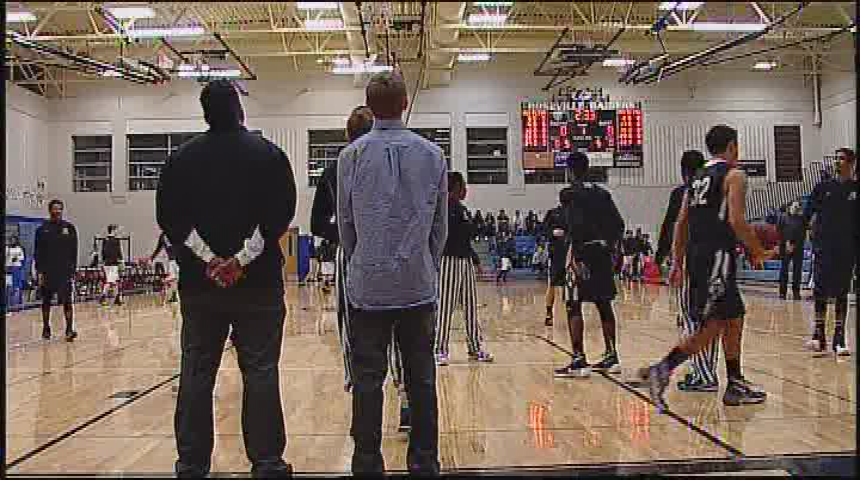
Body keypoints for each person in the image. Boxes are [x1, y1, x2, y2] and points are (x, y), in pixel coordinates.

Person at [156, 79, 296, 478]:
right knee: (261, 371)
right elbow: (279, 215)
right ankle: (267, 463)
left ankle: (191, 464)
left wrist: (210, 259)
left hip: (201, 287)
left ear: (205, 114)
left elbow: (170, 219)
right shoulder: (269, 155)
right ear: (239, 109)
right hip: (259, 286)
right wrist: (240, 259)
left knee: (197, 373)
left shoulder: (180, 160)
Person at [337, 71, 445, 475]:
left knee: (367, 381)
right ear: (404, 104)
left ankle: (366, 463)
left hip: (368, 286)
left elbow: (346, 224)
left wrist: (363, 260)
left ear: (370, 106)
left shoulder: (350, 157)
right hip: (417, 284)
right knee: (421, 379)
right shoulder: (432, 155)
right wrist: (425, 263)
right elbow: (439, 226)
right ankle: (424, 462)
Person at [639, 125, 774, 412]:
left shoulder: (697, 177)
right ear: (732, 146)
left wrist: (677, 262)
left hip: (698, 257)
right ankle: (663, 369)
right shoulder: (734, 175)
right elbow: (737, 221)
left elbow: (680, 224)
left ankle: (735, 382)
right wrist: (757, 250)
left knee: (734, 316)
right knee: (714, 324)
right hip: (718, 257)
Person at [310, 105, 410, 432]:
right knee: (397, 329)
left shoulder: (336, 168)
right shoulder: (395, 162)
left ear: (347, 135)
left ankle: (364, 402)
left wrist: (345, 230)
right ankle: (404, 400)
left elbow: (317, 223)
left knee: (355, 331)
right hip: (390, 254)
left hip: (353, 255)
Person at [553, 152, 625, 378]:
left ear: (569, 171)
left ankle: (578, 359)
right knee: (604, 304)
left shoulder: (568, 194)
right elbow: (619, 225)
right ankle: (612, 356)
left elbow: (576, 225)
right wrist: (611, 248)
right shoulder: (603, 194)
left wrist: (577, 257)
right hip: (602, 253)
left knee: (573, 304)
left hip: (582, 252)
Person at [434, 171, 493, 366]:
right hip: (449, 260)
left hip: (465, 260)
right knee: (446, 306)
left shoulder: (462, 210)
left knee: (470, 305)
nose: (466, 190)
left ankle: (475, 347)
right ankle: (439, 349)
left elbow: (467, 238)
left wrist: (476, 261)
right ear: (455, 187)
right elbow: (452, 236)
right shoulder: (444, 209)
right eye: (463, 186)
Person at [802, 147, 857, 355]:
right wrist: (799, 237)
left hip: (847, 249)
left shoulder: (855, 189)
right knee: (820, 290)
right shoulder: (822, 187)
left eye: (841, 159)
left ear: (851, 164)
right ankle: (818, 335)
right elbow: (807, 214)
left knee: (842, 292)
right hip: (823, 247)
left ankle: (839, 338)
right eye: (835, 158)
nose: (836, 162)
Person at [34, 199, 78, 342]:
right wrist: (39, 272)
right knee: (46, 301)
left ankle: (69, 329)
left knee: (67, 301)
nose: (57, 211)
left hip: (64, 272)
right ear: (50, 210)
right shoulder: (42, 230)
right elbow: (38, 252)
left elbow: (74, 251)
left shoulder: (69, 228)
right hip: (48, 271)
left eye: (59, 208)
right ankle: (46, 328)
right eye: (55, 208)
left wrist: (73, 270)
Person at [543, 198, 568, 327]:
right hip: (556, 254)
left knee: (570, 285)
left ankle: (572, 312)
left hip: (570, 254)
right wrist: (552, 233)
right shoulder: (552, 213)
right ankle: (549, 313)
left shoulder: (575, 215)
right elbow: (544, 229)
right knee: (552, 283)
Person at [777, 200, 806, 301]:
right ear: (790, 207)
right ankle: (782, 293)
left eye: (798, 206)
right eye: (795, 206)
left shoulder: (802, 219)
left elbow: (803, 233)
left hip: (798, 247)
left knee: (797, 271)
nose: (796, 208)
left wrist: (795, 245)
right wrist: (786, 243)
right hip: (785, 247)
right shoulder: (783, 217)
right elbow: (779, 231)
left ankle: (796, 292)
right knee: (784, 271)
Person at [151, 232, 179, 305]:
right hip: (171, 261)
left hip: (177, 260)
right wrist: (152, 258)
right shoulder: (162, 236)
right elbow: (158, 248)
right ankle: (173, 296)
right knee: (173, 279)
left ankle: (174, 295)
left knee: (174, 279)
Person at [100, 224, 124, 306]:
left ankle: (117, 298)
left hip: (107, 263)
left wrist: (103, 262)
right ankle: (103, 297)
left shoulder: (105, 240)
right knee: (110, 282)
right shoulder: (116, 240)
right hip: (113, 264)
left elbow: (103, 253)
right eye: (116, 230)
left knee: (114, 282)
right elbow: (119, 252)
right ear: (113, 230)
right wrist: (122, 262)